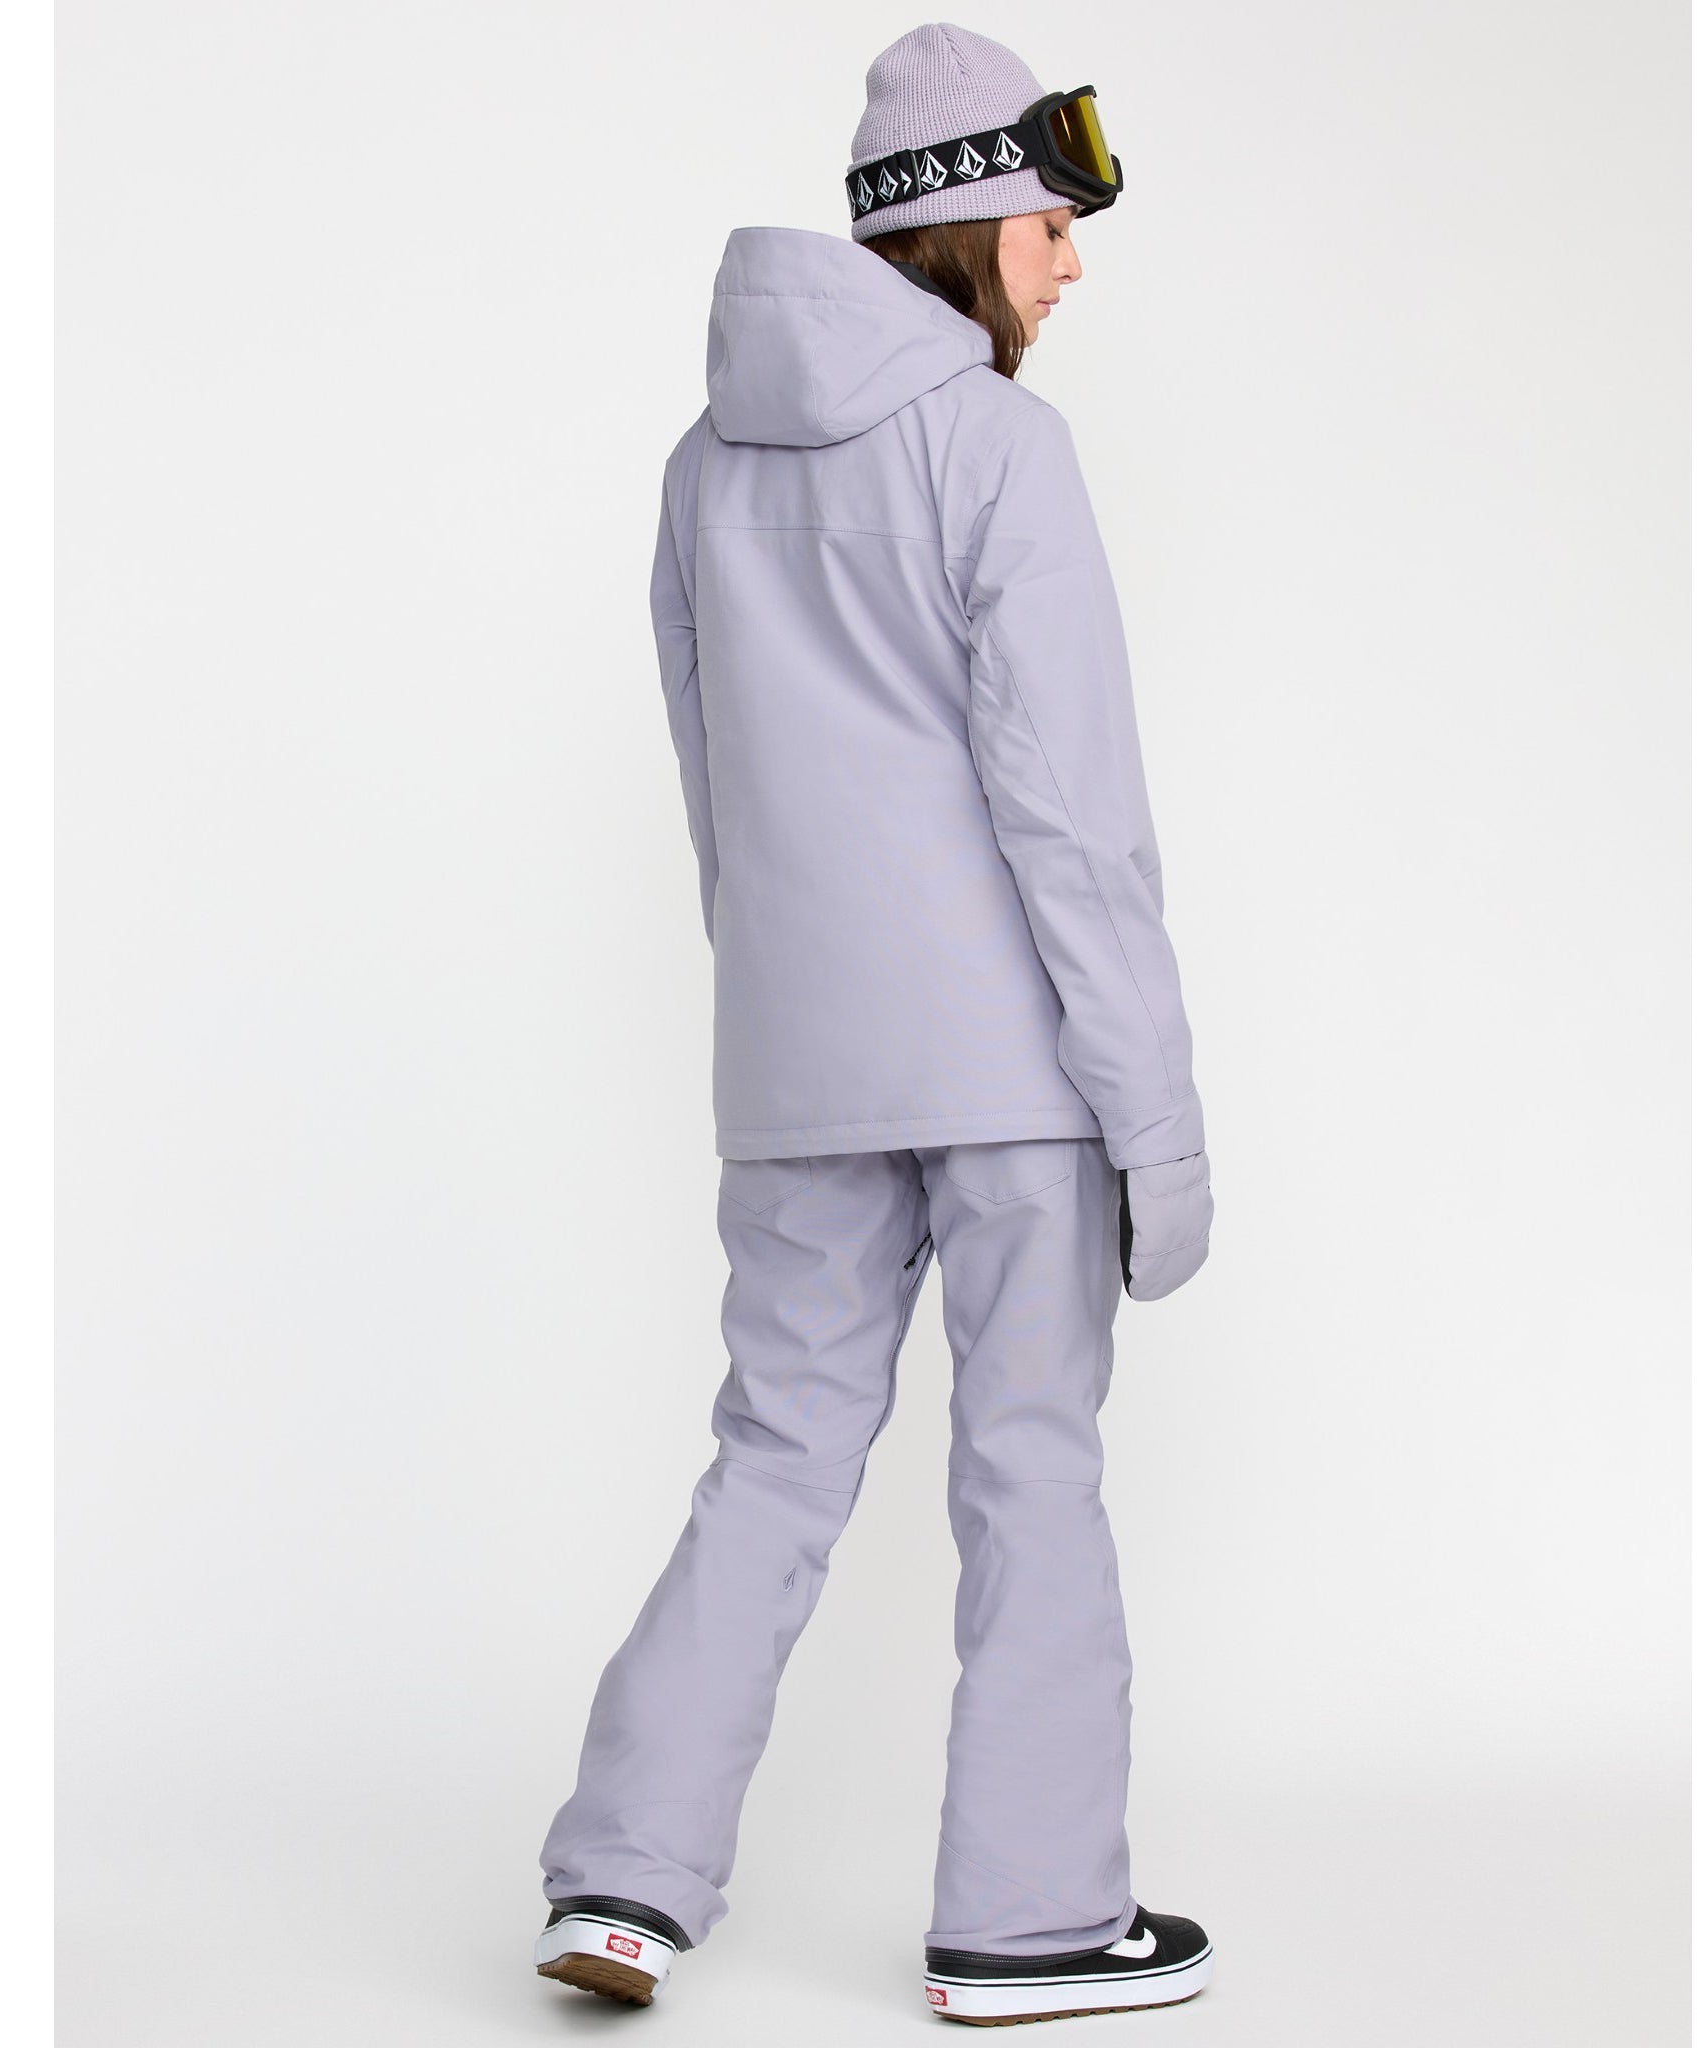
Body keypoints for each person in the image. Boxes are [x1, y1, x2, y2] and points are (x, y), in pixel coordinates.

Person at [535, 23, 1216, 2027]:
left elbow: (717, 784)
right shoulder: (999, 450)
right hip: (1012, 1073)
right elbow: (1073, 819)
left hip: (801, 1061)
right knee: (1030, 1467)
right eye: (1050, 225)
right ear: (963, 221)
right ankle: (1030, 1925)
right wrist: (1157, 1129)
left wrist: (782, 1017)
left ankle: (624, 1879)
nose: (1070, 266)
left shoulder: (700, 467)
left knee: (772, 1451)